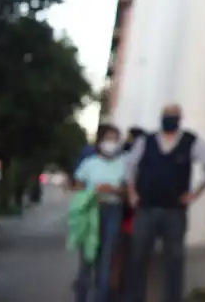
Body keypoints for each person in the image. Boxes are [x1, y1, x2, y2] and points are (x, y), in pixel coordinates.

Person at [124, 105, 205, 302]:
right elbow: (129, 165)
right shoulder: (146, 140)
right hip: (146, 208)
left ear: (180, 118)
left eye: (173, 116)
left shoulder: (190, 141)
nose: (170, 119)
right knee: (137, 256)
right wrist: (132, 193)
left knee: (174, 260)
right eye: (167, 115)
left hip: (174, 210)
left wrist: (195, 194)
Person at [72, 124, 126, 302]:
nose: (112, 143)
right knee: (87, 258)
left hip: (113, 211)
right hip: (91, 212)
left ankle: (100, 297)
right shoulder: (89, 164)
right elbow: (78, 188)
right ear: (100, 141)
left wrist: (115, 190)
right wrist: (92, 193)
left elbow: (127, 190)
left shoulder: (122, 164)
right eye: (109, 139)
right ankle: (81, 296)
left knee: (106, 259)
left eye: (115, 139)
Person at [111, 127, 146, 295]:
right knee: (128, 257)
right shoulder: (127, 159)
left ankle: (118, 290)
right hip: (128, 215)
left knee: (121, 256)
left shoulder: (123, 156)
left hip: (129, 215)